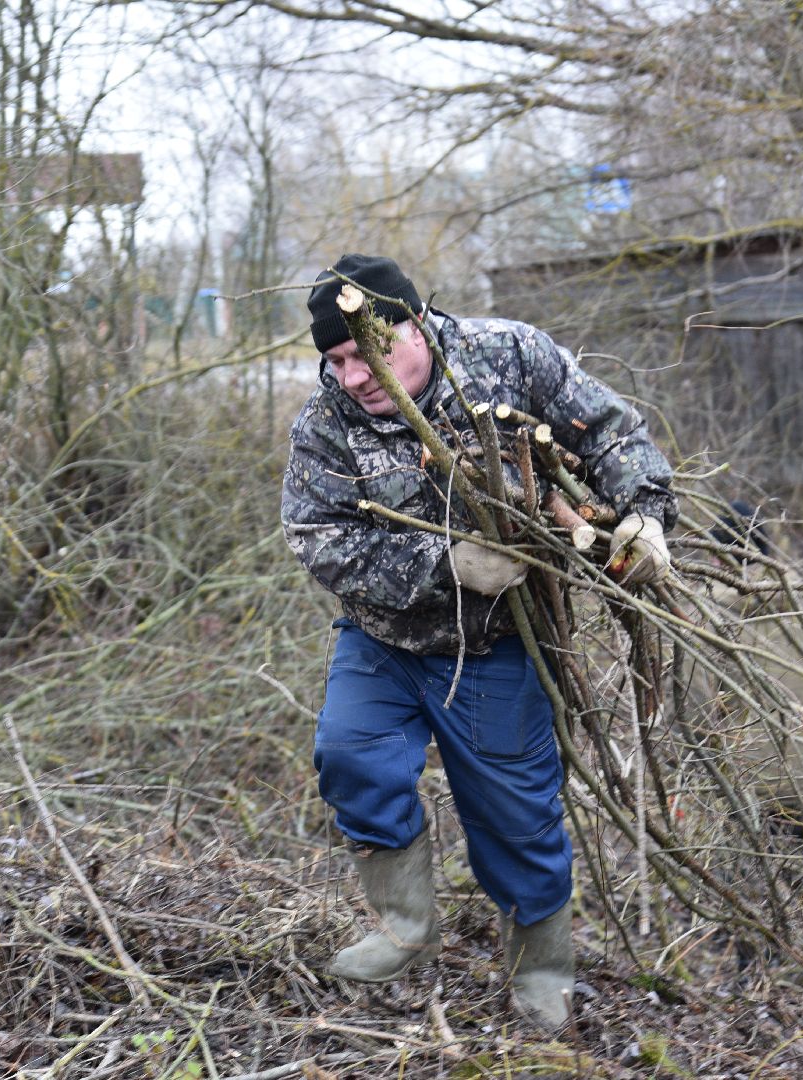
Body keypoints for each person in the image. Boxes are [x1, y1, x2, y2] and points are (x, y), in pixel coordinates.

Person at [281, 254, 678, 1030]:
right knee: (350, 754)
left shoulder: (508, 357)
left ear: (417, 324)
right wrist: (446, 565)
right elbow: (316, 538)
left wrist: (645, 513)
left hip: (498, 646)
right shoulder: (326, 425)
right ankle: (402, 925)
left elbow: (609, 432)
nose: (356, 375)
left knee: (514, 813)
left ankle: (542, 965)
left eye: (370, 352)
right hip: (387, 641)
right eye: (336, 359)